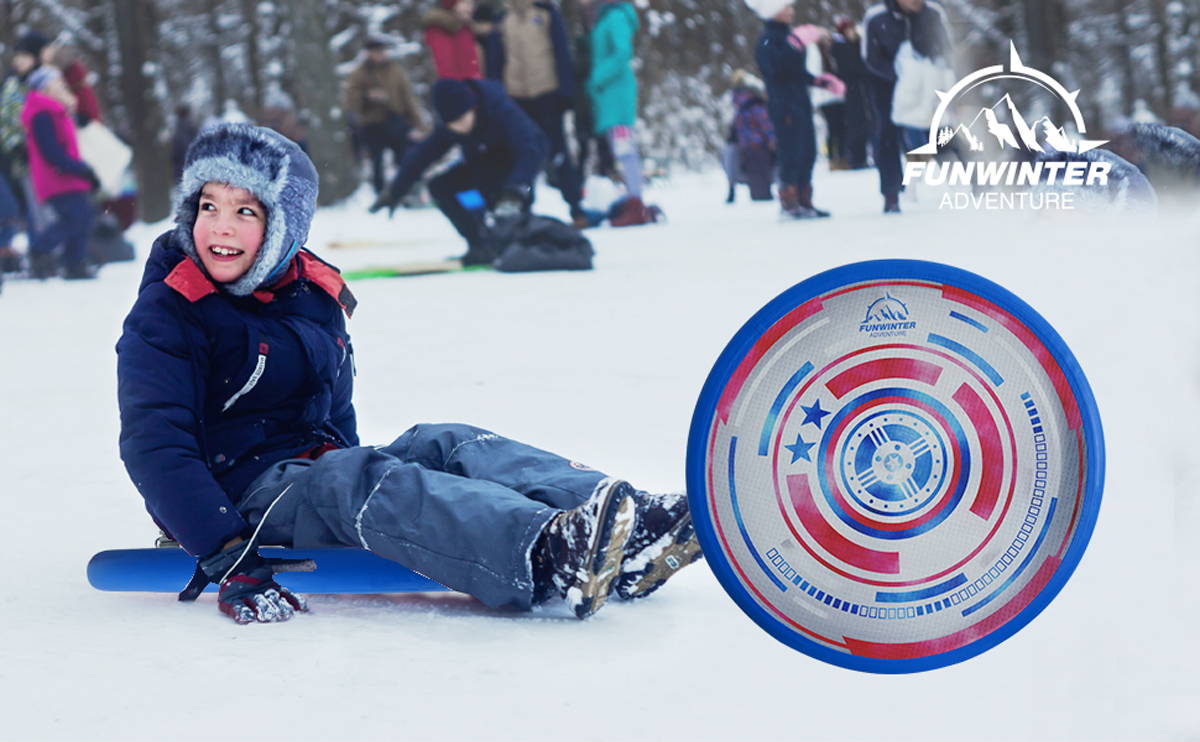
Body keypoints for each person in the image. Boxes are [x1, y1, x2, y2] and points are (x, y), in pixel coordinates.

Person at [116, 122, 700, 624]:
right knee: (347, 478)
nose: (220, 226)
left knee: (439, 441)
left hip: (306, 472)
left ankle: (625, 521)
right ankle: (545, 554)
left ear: (282, 229)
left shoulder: (309, 293)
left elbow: (330, 405)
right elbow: (155, 445)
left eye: (245, 211)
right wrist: (225, 552)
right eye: (208, 206)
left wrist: (361, 499)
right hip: (231, 498)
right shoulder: (169, 310)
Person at [369, 78, 547, 266]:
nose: (459, 128)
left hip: (514, 173)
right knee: (440, 186)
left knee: (506, 220)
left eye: (462, 120)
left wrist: (516, 189)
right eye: (452, 124)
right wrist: (395, 190)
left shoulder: (501, 110)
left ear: (474, 108)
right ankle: (479, 244)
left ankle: (513, 242)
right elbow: (422, 155)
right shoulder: (452, 121)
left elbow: (532, 148)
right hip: (480, 167)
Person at [495, 0, 587, 227]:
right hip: (516, 97)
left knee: (559, 153)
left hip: (547, 93)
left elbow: (561, 51)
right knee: (523, 153)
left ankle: (575, 207)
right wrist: (499, 96)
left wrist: (566, 93)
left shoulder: (546, 13)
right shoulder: (503, 19)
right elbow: (497, 60)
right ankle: (525, 209)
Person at [749, 1, 844, 219]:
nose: (791, 11)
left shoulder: (787, 38)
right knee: (791, 152)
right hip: (783, 105)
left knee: (808, 151)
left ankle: (805, 200)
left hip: (800, 102)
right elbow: (777, 70)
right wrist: (797, 43)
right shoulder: (767, 39)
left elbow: (796, 72)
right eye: (786, 7)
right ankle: (789, 202)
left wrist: (819, 81)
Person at [862, 0, 951, 213]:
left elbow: (946, 48)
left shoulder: (933, 13)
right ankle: (891, 193)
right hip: (887, 87)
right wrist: (901, 75)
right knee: (887, 137)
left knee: (943, 133)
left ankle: (975, 183)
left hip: (927, 85)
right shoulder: (876, 16)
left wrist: (935, 71)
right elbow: (870, 57)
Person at [582, 0, 660, 226]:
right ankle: (631, 198)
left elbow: (622, 52)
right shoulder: (604, 16)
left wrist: (597, 77)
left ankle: (636, 202)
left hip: (616, 95)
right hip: (608, 95)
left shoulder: (615, 16)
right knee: (620, 150)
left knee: (624, 150)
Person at [20, 65, 98, 280]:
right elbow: (50, 150)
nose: (62, 84)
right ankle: (40, 250)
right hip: (56, 177)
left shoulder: (55, 110)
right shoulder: (41, 113)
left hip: (66, 175)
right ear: (45, 87)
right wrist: (77, 169)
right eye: (56, 82)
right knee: (74, 218)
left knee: (81, 216)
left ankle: (74, 263)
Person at [343, 37, 426, 196]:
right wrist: (367, 96)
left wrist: (417, 122)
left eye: (382, 51)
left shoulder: (395, 70)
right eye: (376, 52)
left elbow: (408, 97)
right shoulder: (359, 73)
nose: (380, 55)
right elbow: (351, 99)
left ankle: (406, 191)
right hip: (372, 124)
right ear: (369, 53)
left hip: (395, 120)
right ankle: (380, 193)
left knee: (404, 157)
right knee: (377, 161)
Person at [724, 70, 775, 203]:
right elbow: (766, 124)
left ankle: (758, 195)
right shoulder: (753, 106)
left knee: (754, 174)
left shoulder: (743, 107)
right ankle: (762, 196)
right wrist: (771, 139)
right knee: (760, 175)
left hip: (748, 145)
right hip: (756, 145)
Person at [829, 17, 871, 170]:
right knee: (855, 125)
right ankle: (856, 158)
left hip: (860, 89)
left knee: (864, 124)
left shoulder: (857, 44)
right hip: (850, 90)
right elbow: (851, 67)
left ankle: (862, 156)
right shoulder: (840, 47)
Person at [424, 0, 487, 80]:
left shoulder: (466, 29)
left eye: (471, 3)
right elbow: (445, 68)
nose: (470, 8)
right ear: (452, 4)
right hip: (457, 87)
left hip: (474, 86)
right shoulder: (439, 30)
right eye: (464, 3)